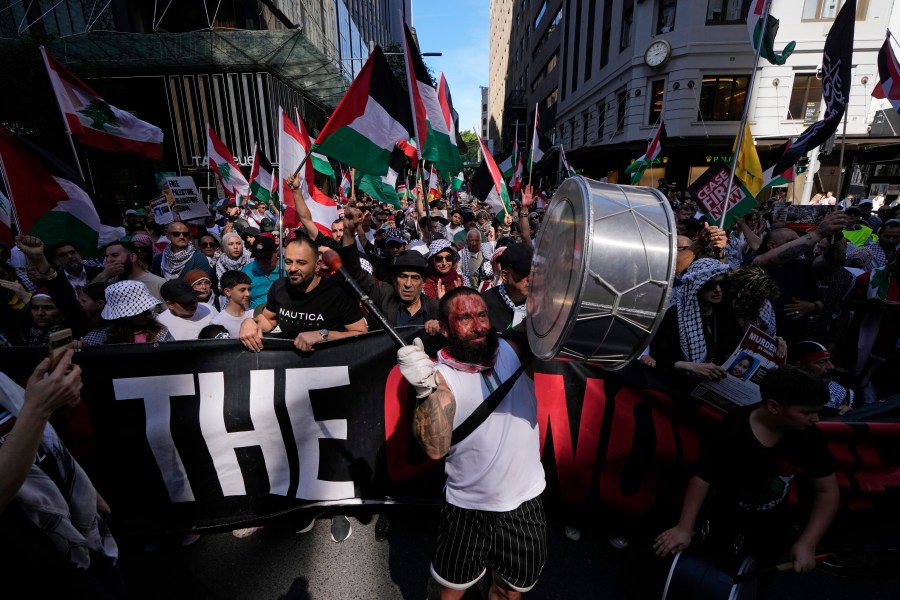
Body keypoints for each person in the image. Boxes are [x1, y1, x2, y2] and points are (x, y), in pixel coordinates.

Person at [398, 287, 546, 600]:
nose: (478, 325)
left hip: (525, 503)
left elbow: (547, 317)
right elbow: (435, 448)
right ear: (445, 327)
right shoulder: (439, 377)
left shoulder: (512, 350)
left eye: (481, 315)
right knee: (448, 593)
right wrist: (425, 392)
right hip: (467, 508)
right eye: (464, 318)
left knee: (509, 591)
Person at [655, 366, 840, 577]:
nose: (815, 419)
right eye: (806, 412)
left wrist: (808, 543)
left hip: (771, 529)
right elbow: (703, 476)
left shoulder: (809, 436)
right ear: (773, 406)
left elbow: (827, 492)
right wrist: (684, 528)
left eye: (818, 411)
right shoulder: (735, 428)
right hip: (723, 521)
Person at [0, 351, 122, 597]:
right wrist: (38, 408)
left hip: (81, 525)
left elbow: (40, 438)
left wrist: (82, 487)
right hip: (35, 556)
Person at [238, 234, 368, 353]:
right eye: (288, 262)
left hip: (331, 367)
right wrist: (250, 323)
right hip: (292, 366)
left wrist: (323, 335)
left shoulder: (338, 293)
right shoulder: (279, 287)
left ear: (317, 265)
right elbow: (268, 319)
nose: (293, 268)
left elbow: (361, 333)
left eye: (301, 263)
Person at [338, 208, 441, 334]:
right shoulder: (384, 294)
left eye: (415, 278)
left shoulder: (436, 310)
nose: (408, 284)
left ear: (424, 282)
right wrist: (348, 232)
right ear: (394, 278)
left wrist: (442, 325)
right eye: (403, 276)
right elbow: (355, 274)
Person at [791, 341, 853, 415]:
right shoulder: (784, 391)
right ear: (800, 365)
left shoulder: (842, 394)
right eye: (822, 362)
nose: (831, 366)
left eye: (829, 360)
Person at [481, 242, 532, 332]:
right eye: (523, 272)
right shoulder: (483, 305)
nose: (530, 278)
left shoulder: (541, 304)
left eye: (534, 273)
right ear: (504, 275)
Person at [241, 236, 282, 309]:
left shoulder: (286, 268)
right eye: (259, 258)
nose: (263, 261)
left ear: (276, 252)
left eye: (267, 257)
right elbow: (242, 299)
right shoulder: (247, 272)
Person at [210, 270, 254, 338]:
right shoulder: (217, 322)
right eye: (242, 290)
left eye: (249, 290)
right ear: (227, 292)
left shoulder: (253, 314)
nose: (248, 294)